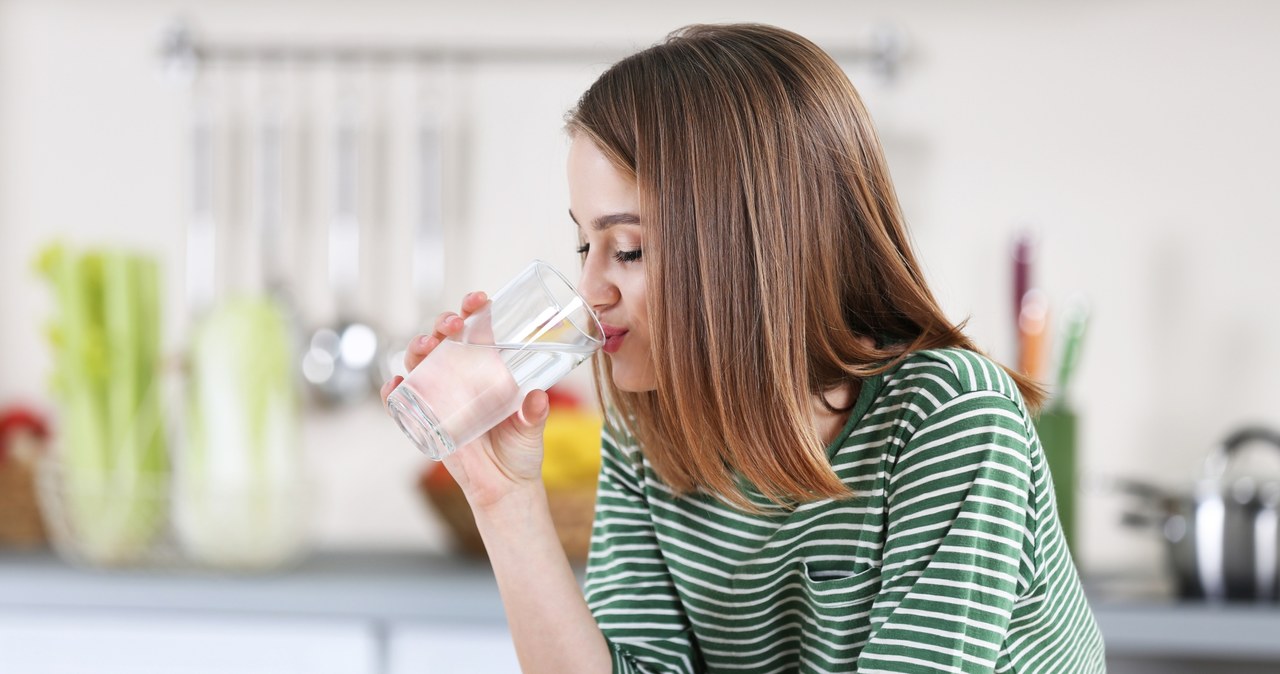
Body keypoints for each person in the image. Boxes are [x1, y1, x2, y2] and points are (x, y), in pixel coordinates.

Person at [382, 23, 1105, 674]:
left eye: (628, 249)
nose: (589, 289)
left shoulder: (948, 416)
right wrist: (503, 498)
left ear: (752, 251)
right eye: (584, 242)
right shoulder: (654, 431)